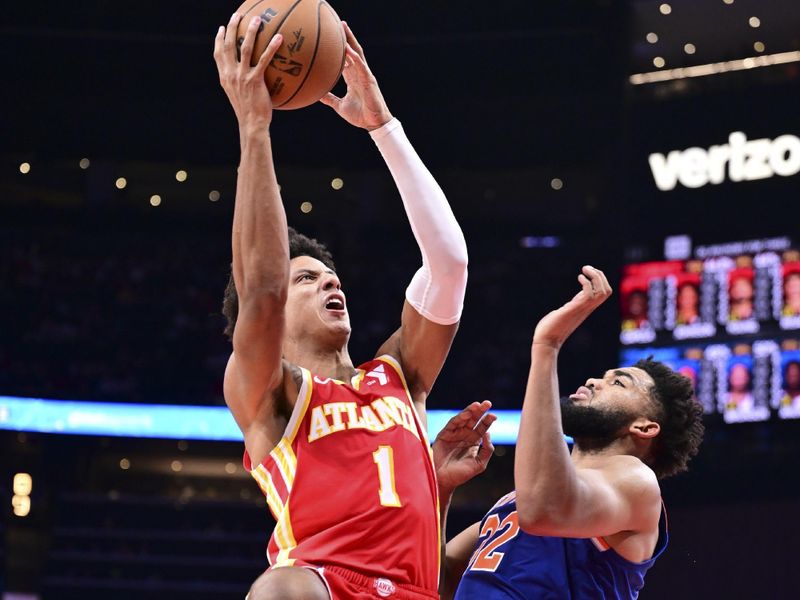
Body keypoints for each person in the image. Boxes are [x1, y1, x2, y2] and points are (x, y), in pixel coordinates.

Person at [213, 15, 468, 600]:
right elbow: (263, 291)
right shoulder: (269, 393)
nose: (331, 284)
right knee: (281, 589)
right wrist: (255, 127)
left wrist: (383, 128)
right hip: (325, 585)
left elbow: (449, 265)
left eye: (333, 277)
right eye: (310, 279)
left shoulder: (399, 376)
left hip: (413, 594)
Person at [440, 266, 704, 599]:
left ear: (645, 427)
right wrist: (443, 489)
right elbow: (439, 575)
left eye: (618, 382)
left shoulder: (637, 483)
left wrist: (547, 346)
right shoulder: (519, 496)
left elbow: (544, 509)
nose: (595, 381)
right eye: (603, 376)